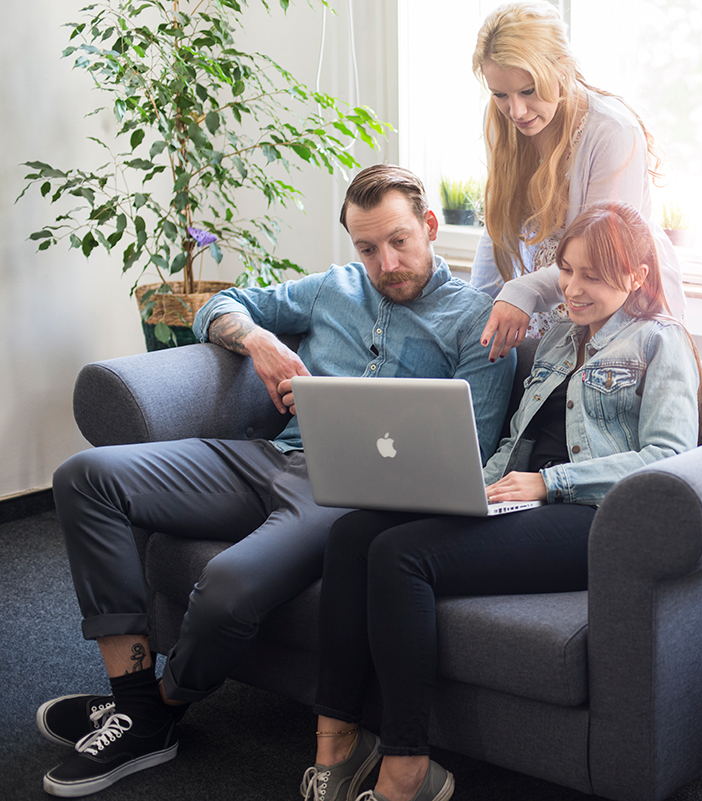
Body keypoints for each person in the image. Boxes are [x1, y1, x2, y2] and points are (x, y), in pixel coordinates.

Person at [37, 165, 516, 797]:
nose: (385, 262)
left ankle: (155, 711)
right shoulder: (333, 288)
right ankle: (134, 707)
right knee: (85, 476)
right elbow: (218, 305)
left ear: (430, 226)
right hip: (265, 457)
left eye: (399, 241)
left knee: (227, 588)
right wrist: (259, 339)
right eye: (367, 248)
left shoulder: (477, 323)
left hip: (345, 498)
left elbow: (467, 455)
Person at [300, 202, 702, 801]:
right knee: (353, 534)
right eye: (566, 270)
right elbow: (518, 441)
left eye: (592, 275)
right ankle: (336, 745)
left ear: (638, 276)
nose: (572, 288)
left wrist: (553, 483)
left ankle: (408, 769)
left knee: (401, 557)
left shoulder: (659, 343)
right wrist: (468, 484)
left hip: (586, 519)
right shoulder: (558, 337)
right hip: (518, 498)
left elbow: (667, 459)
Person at [469, 1, 686, 362]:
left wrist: (522, 290)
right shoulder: (505, 120)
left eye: (528, 91)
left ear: (562, 69)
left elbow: (602, 257)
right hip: (554, 312)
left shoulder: (612, 132)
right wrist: (477, 310)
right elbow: (499, 229)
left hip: (619, 316)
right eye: (500, 94)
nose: (516, 111)